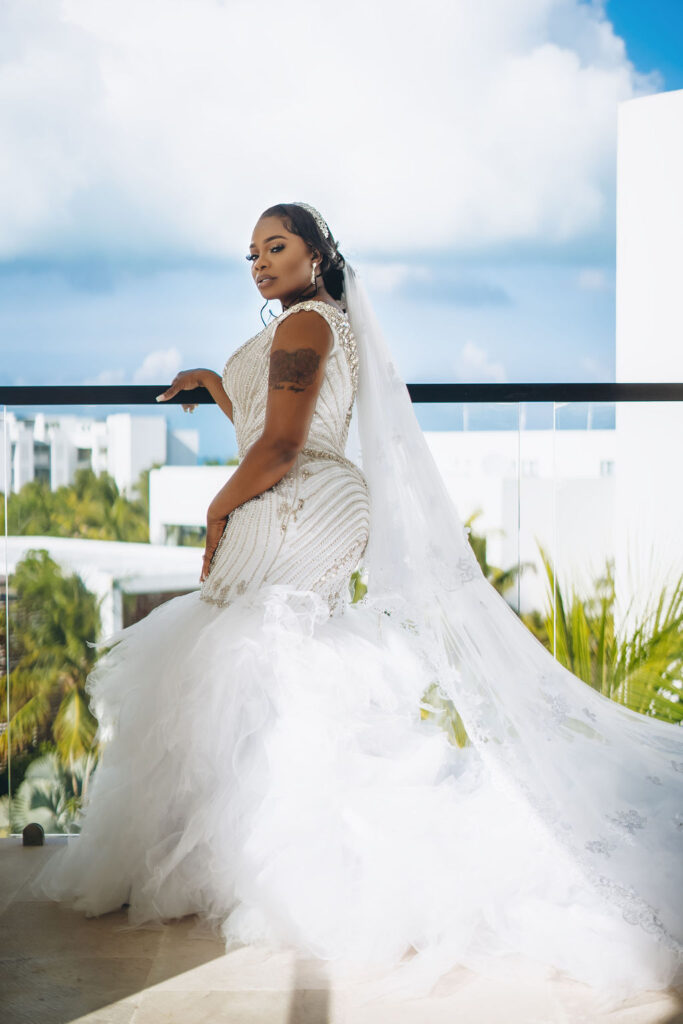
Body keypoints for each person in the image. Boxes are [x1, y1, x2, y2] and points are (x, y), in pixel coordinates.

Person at [33, 202, 682, 1004]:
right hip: (315, 495)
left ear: (315, 254)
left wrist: (214, 510)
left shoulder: (304, 326)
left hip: (297, 502)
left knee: (238, 654)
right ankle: (249, 860)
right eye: (251, 253)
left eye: (276, 246)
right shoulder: (314, 325)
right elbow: (275, 425)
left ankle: (306, 869)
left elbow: (284, 445)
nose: (260, 262)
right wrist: (214, 384)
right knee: (271, 665)